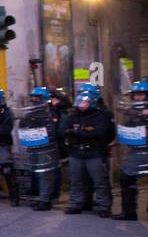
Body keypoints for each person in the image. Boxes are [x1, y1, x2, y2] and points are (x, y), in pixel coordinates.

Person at [60, 89, 115, 217]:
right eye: (80, 102)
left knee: (100, 181)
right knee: (76, 180)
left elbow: (100, 133)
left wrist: (76, 133)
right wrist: (81, 134)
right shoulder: (73, 116)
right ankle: (76, 203)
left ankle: (103, 206)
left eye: (84, 102)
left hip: (95, 152)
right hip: (76, 152)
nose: (81, 104)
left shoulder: (101, 116)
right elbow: (62, 130)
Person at [116, 79, 148, 220]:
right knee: (126, 178)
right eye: (136, 95)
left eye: (141, 95)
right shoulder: (132, 112)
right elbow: (128, 126)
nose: (138, 98)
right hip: (136, 150)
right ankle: (129, 212)